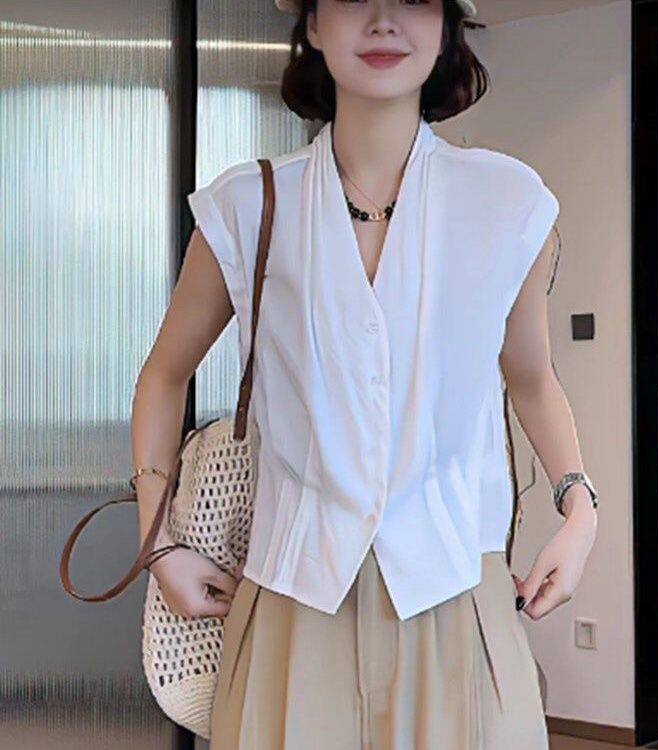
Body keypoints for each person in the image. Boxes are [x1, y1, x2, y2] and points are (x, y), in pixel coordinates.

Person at [130, 0, 598, 747]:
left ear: (445, 25)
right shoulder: (247, 205)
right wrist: (157, 541)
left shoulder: (507, 202)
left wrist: (580, 510)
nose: (383, 19)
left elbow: (531, 377)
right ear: (313, 24)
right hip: (292, 605)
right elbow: (164, 374)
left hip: (457, 593)